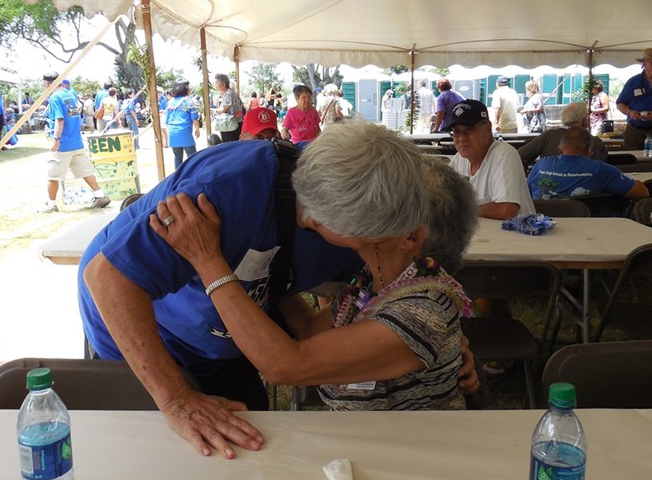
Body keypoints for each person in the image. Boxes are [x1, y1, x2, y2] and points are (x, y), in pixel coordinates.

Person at [79, 112, 479, 458]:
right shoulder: (225, 191)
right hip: (151, 336)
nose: (311, 223)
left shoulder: (369, 228)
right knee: (162, 464)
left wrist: (441, 346)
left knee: (246, 446)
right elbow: (107, 277)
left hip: (228, 339)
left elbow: (290, 356)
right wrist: (176, 399)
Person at [150, 123, 480, 413]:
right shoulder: (372, 285)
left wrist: (209, 262)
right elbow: (308, 329)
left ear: (410, 236)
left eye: (376, 206)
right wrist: (260, 253)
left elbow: (285, 365)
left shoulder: (421, 312)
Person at [37, 71, 111, 213]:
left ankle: (51, 204)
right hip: (76, 141)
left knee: (52, 174)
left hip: (63, 143)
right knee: (85, 171)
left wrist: (56, 140)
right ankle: (99, 195)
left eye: (44, 83)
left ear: (49, 83)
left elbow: (59, 119)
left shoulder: (54, 97)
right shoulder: (69, 94)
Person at [448, 99, 535, 220]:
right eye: (456, 132)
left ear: (488, 129)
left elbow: (507, 210)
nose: (461, 138)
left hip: (519, 236)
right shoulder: (460, 159)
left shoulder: (504, 154)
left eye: (469, 130)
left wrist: (464, 209)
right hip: (484, 236)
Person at [528, 127, 649, 201]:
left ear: (560, 150)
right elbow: (642, 193)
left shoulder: (541, 164)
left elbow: (526, 192)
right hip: (590, 226)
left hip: (543, 225)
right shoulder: (600, 169)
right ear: (589, 150)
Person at [518, 102, 608, 166]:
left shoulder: (549, 136)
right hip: (587, 189)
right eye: (588, 116)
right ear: (584, 121)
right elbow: (603, 163)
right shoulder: (595, 142)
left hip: (549, 187)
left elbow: (520, 155)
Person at [165, 80, 200, 168]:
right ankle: (192, 175)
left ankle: (177, 177)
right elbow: (194, 118)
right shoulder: (188, 101)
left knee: (177, 157)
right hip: (185, 132)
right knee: (192, 157)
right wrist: (197, 129)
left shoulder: (170, 103)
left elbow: (167, 120)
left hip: (173, 133)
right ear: (186, 89)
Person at [213, 73, 243, 143]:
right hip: (235, 123)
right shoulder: (228, 93)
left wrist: (215, 111)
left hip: (230, 125)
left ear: (223, 84)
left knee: (230, 145)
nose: (215, 85)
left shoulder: (228, 94)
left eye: (216, 83)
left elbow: (224, 109)